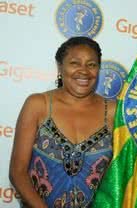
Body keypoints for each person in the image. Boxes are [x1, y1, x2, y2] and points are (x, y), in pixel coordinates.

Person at [9, 36, 116, 208]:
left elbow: (119, 176)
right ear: (60, 67)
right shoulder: (38, 105)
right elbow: (17, 171)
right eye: (75, 63)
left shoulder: (112, 112)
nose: (84, 71)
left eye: (92, 64)